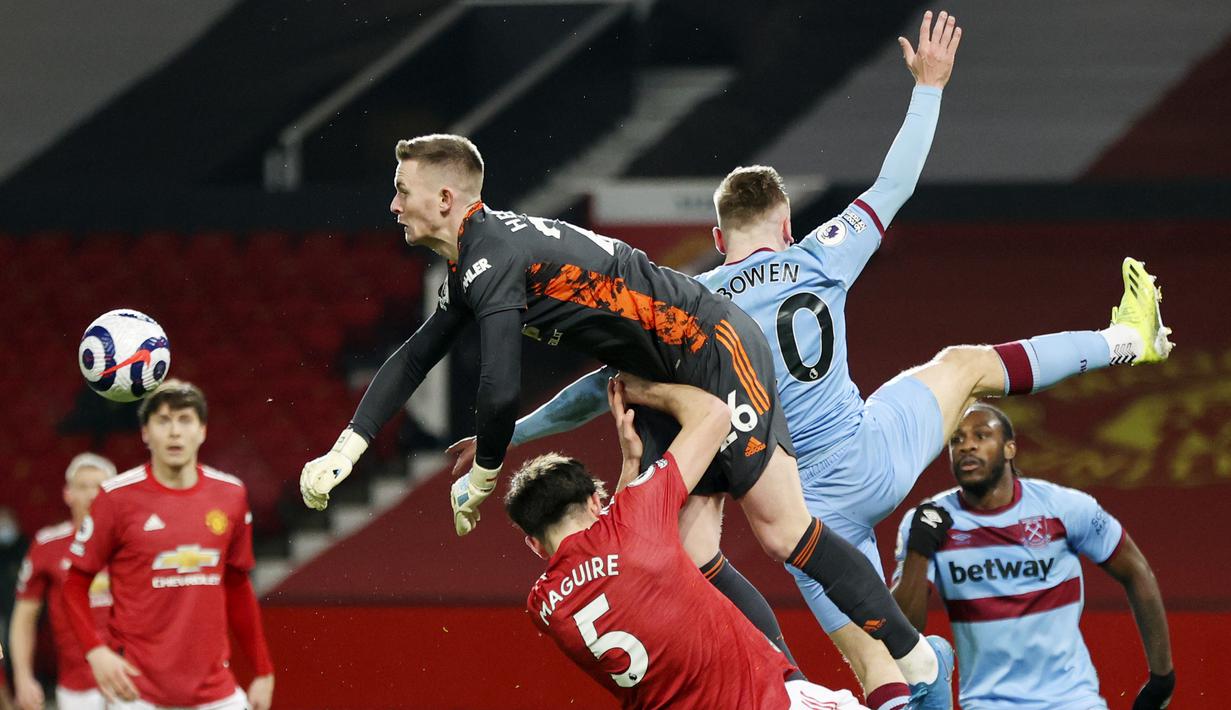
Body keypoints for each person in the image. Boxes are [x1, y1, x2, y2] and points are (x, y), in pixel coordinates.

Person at [464, 8, 1174, 705]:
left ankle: (911, 675)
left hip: (803, 507)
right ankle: (1123, 340)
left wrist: (510, 435)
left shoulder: (690, 306)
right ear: (784, 221)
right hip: (872, 449)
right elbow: (894, 185)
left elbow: (597, 389)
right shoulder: (817, 257)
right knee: (965, 364)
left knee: (881, 678)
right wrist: (928, 86)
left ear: (717, 234)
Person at [299, 129, 948, 706]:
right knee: (689, 560)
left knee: (784, 534)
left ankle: (908, 655)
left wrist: (489, 470)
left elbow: (499, 384)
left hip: (713, 345)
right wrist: (347, 448)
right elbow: (415, 357)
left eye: (401, 190)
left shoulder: (490, 257)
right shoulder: (480, 259)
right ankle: (783, 686)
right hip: (665, 372)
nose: (392, 205)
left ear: (444, 199)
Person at [508, 372, 867, 709]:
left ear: (534, 545)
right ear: (595, 501)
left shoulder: (543, 607)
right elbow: (714, 413)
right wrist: (638, 389)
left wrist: (631, 468)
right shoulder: (634, 519)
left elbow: (605, 559)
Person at [891, 404, 1175, 710]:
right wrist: (919, 553)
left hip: (1073, 702)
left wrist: (1162, 678)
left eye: (982, 435)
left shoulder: (1065, 508)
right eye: (956, 440)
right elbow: (905, 631)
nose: (967, 445)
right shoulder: (930, 521)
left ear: (1010, 448)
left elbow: (1136, 570)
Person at [63, 381, 275, 709]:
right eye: (163, 421)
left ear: (202, 430)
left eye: (185, 420)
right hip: (138, 695)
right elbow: (74, 584)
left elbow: (237, 585)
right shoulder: (116, 497)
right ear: (145, 433)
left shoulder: (231, 495)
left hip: (216, 693)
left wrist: (262, 669)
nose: (175, 432)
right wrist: (96, 651)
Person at [10, 453, 116, 710]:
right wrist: (23, 678)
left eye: (100, 487)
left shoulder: (134, 541)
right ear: (67, 494)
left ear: (114, 493)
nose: (92, 494)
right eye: (83, 487)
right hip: (77, 688)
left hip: (134, 680)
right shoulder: (48, 545)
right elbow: (23, 617)